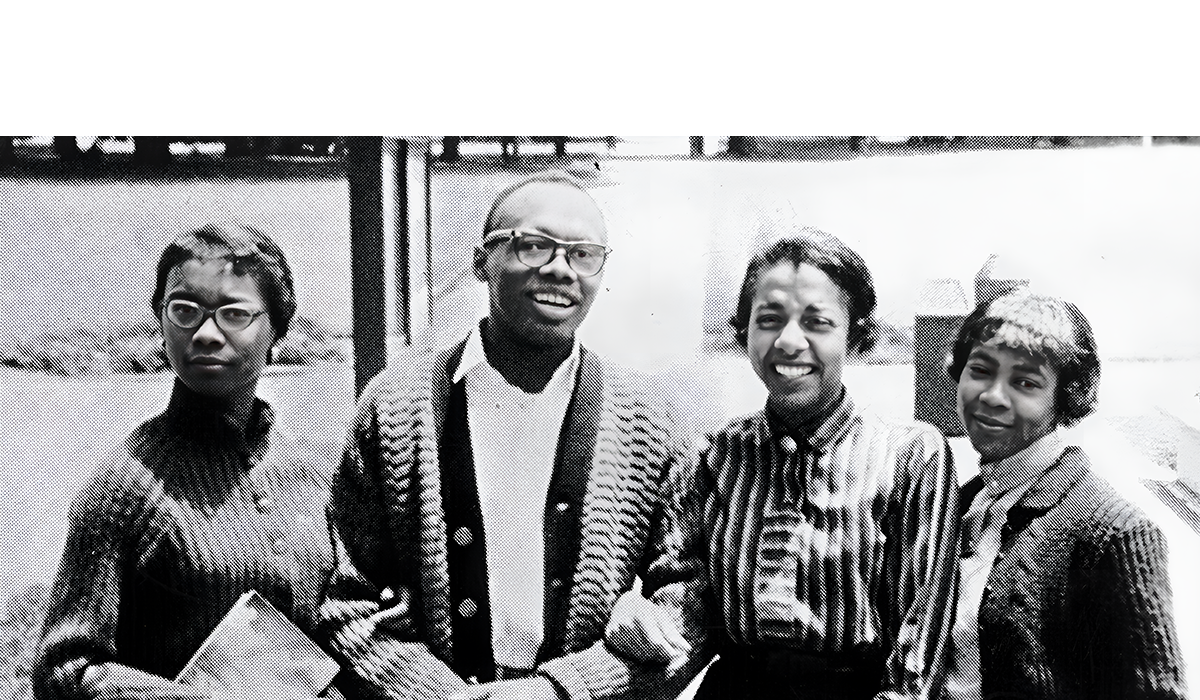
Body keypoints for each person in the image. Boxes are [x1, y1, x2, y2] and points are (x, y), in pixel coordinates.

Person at [319, 172, 696, 700]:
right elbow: (346, 600)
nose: (560, 270)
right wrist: (434, 695)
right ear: (480, 263)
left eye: (583, 254)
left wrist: (567, 690)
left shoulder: (650, 418)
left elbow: (688, 600)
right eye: (534, 246)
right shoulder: (396, 405)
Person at [605, 232, 961, 700]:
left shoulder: (911, 454)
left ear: (857, 336)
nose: (790, 342)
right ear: (743, 332)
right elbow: (683, 599)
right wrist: (641, 618)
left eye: (818, 322)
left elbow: (918, 652)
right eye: (769, 320)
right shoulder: (714, 454)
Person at [33, 223, 338, 700]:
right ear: (160, 322)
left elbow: (344, 627)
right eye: (185, 311)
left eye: (234, 314)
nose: (207, 334)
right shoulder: (124, 485)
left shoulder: (313, 471)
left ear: (277, 330)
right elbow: (64, 672)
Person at [941, 289, 1187, 700]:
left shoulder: (1115, 534)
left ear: (1064, 398)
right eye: (980, 370)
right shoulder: (964, 502)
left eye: (1024, 382)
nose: (992, 396)